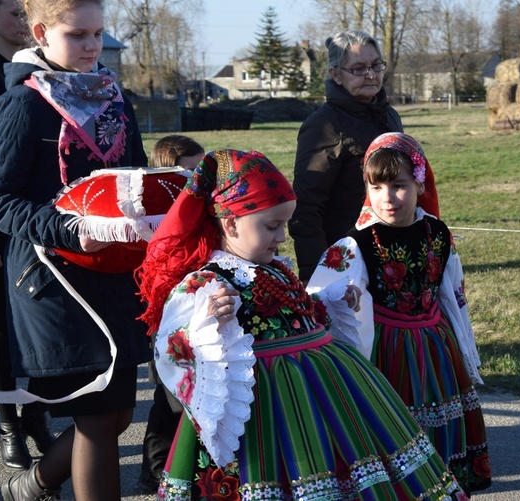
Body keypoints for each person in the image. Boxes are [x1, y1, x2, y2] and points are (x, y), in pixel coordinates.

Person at [137, 149, 467, 500]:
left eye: (284, 225)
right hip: (262, 413)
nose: (282, 236)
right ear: (230, 223)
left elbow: (296, 316)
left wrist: (330, 304)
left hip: (317, 400)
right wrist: (202, 328)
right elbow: (170, 351)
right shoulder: (205, 285)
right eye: (271, 226)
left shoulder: (275, 266)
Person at [0, 0, 152, 498]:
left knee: (116, 414)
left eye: (98, 33)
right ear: (40, 33)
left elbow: (133, 177)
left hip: (114, 272)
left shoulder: (112, 95)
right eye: (78, 35)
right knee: (98, 416)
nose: (93, 46)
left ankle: (33, 483)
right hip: (52, 280)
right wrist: (71, 230)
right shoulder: (24, 103)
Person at [307, 132, 491, 494]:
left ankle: (443, 486)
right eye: (376, 187)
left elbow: (452, 293)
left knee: (439, 426)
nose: (387, 198)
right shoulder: (356, 243)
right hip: (386, 351)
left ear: (420, 184)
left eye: (399, 185)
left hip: (437, 348)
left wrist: (463, 350)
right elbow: (318, 298)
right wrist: (341, 298)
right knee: (392, 426)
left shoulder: (437, 233)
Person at [0, 0, 54, 471]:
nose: (23, 25)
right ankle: (9, 423)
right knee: (2, 324)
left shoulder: (47, 68)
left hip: (39, 221)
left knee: (43, 322)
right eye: (12, 13)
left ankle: (38, 416)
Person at [289, 29, 403, 283]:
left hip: (393, 254)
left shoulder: (389, 115)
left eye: (376, 65)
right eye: (358, 68)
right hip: (348, 259)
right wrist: (318, 275)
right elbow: (306, 207)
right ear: (336, 75)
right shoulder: (323, 126)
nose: (371, 75)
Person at [138, 134, 205, 493]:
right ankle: (155, 469)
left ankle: (177, 465)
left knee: (187, 395)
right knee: (169, 400)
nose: (197, 181)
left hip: (194, 315)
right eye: (189, 172)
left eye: (200, 170)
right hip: (166, 319)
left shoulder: (200, 209)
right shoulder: (157, 216)